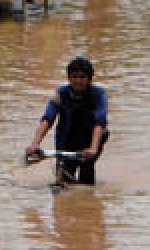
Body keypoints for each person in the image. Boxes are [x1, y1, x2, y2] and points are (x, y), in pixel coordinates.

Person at [26, 56, 110, 185]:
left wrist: (93, 148)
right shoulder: (60, 94)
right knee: (63, 178)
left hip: (92, 138)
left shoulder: (99, 95)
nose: (78, 81)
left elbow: (99, 122)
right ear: (69, 78)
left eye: (82, 77)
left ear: (89, 79)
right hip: (66, 137)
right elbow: (47, 119)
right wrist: (35, 144)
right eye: (74, 77)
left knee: (86, 176)